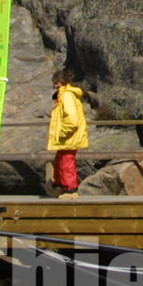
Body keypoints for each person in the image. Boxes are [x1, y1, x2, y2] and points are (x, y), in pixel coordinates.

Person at [48, 68, 88, 199]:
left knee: (66, 162)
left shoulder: (66, 96)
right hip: (68, 137)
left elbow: (72, 119)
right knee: (60, 160)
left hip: (69, 137)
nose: (54, 86)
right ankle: (60, 185)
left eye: (56, 83)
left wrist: (63, 133)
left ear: (60, 82)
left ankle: (71, 190)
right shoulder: (64, 95)